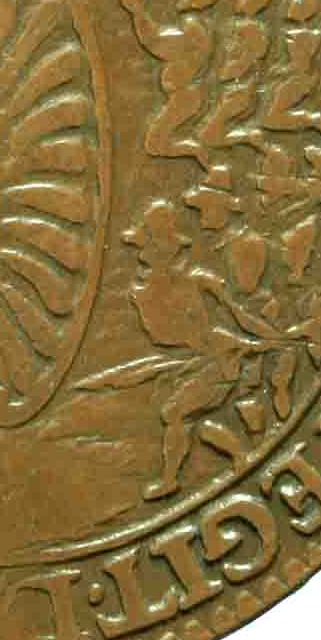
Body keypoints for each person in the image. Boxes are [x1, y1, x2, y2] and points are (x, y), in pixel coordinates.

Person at [123, 200, 247, 500]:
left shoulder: (198, 282)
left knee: (175, 415)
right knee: (192, 422)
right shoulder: (150, 288)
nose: (140, 255)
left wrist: (273, 338)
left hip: (217, 363)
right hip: (198, 362)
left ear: (163, 249)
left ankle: (171, 480)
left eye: (145, 247)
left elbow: (240, 317)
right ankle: (243, 459)